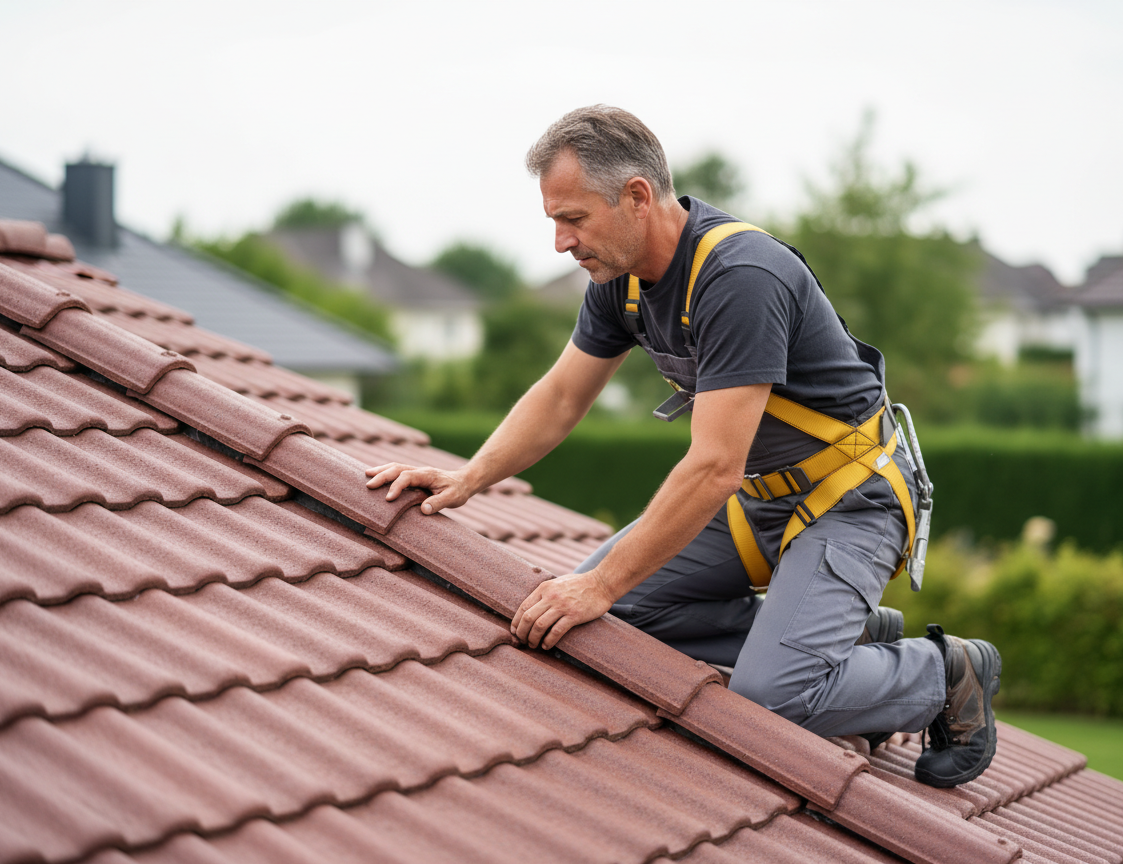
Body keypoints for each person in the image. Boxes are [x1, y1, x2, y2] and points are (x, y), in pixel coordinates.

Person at [366, 105, 1000, 788]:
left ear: (637, 196)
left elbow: (714, 466)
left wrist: (599, 582)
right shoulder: (621, 282)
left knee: (769, 697)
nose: (559, 242)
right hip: (762, 498)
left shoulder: (740, 277)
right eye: (553, 220)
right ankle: (844, 640)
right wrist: (468, 478)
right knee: (615, 618)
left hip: (850, 498)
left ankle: (946, 673)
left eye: (573, 218)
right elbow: (560, 397)